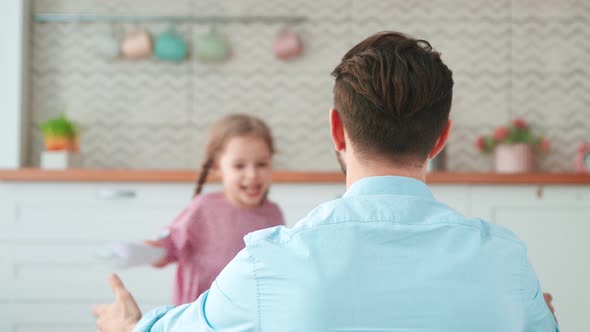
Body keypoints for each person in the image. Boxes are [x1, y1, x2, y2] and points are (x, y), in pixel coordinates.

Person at [93, 31, 559, 332]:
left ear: (337, 130)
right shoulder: (507, 262)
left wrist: (129, 325)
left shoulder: (268, 261)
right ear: (441, 137)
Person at [145, 113, 284, 305]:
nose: (252, 174)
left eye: (261, 164)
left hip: (247, 316)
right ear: (218, 167)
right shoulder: (204, 208)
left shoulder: (273, 215)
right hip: (198, 317)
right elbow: (172, 243)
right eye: (239, 166)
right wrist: (156, 250)